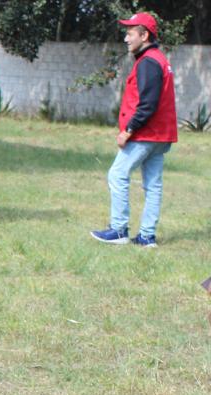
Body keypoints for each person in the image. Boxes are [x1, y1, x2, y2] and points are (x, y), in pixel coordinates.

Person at [90, 12, 176, 248]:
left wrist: (128, 130)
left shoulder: (148, 62)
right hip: (161, 135)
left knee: (117, 174)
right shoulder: (159, 59)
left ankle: (118, 230)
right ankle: (147, 236)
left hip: (146, 134)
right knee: (153, 184)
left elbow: (147, 103)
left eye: (130, 33)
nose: (126, 39)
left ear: (144, 35)